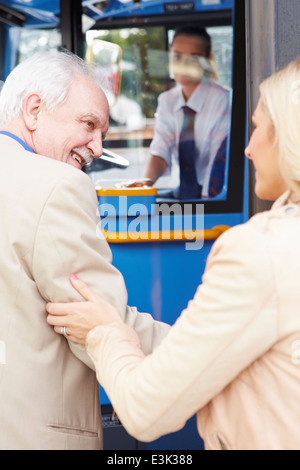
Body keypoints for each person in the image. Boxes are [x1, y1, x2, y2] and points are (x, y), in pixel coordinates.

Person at [47, 57, 300, 450]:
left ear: (291, 138)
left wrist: (105, 333)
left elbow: (146, 412)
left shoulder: (261, 249)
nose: (247, 149)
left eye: (257, 128)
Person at [0, 51, 169, 450]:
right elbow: (99, 320)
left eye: (103, 135)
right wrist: (202, 351)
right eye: (89, 124)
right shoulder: (57, 185)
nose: (96, 147)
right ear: (34, 109)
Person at [143, 25, 230, 199]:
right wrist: (144, 185)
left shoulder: (222, 99)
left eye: (194, 59)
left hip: (211, 193)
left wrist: (207, 210)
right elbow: (161, 149)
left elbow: (217, 163)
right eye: (177, 56)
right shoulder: (167, 100)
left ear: (207, 62)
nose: (183, 65)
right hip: (181, 191)